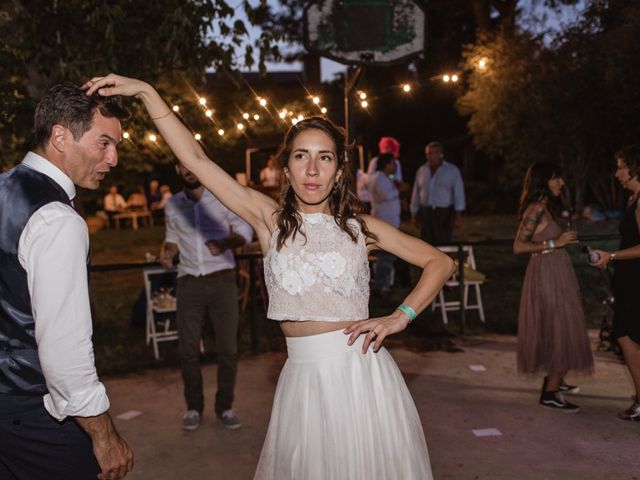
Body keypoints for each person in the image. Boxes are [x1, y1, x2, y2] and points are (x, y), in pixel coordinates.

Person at [85, 74, 454, 480]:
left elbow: (439, 262)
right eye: (301, 156)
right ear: (287, 166)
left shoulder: (360, 228)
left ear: (339, 169)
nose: (312, 169)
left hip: (359, 376)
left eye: (325, 157)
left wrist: (400, 316)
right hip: (300, 379)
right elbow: (196, 160)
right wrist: (147, 93)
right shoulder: (269, 220)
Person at [0, 84, 133, 479]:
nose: (114, 158)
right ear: (60, 136)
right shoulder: (57, 218)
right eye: (104, 143)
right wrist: (103, 432)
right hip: (33, 408)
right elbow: (63, 349)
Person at [160, 163, 253, 431]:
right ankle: (193, 407)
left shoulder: (221, 197)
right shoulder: (174, 204)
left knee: (228, 349)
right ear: (177, 168)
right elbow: (172, 238)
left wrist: (225, 243)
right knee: (188, 350)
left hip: (222, 280)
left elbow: (245, 232)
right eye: (183, 166)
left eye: (193, 165)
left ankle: (225, 406)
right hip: (189, 281)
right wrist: (168, 253)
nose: (189, 171)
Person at [513, 162, 594, 413]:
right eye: (556, 179)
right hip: (546, 273)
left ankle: (556, 379)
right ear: (543, 181)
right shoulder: (536, 208)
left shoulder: (548, 207)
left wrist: (562, 241)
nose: (562, 183)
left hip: (557, 270)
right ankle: (550, 391)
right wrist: (554, 242)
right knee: (559, 325)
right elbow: (518, 246)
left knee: (562, 325)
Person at [591, 145, 640, 421]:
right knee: (628, 336)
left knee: (625, 336)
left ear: (635, 167)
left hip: (636, 278)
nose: (617, 172)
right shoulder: (633, 198)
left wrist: (611, 256)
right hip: (629, 276)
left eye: (621, 166)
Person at [410, 141, 465, 245]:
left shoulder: (452, 171)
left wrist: (458, 215)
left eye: (431, 153)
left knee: (443, 242)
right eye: (427, 153)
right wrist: (414, 213)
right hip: (426, 212)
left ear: (440, 154)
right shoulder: (422, 170)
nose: (428, 156)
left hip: (444, 212)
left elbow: (459, 193)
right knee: (425, 243)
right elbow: (416, 193)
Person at [368, 153, 401, 295]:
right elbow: (386, 196)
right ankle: (381, 285)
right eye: (392, 163)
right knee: (386, 255)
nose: (395, 166)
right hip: (384, 221)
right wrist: (400, 190)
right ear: (385, 164)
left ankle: (384, 284)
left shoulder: (387, 178)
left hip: (391, 220)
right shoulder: (378, 178)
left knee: (388, 254)